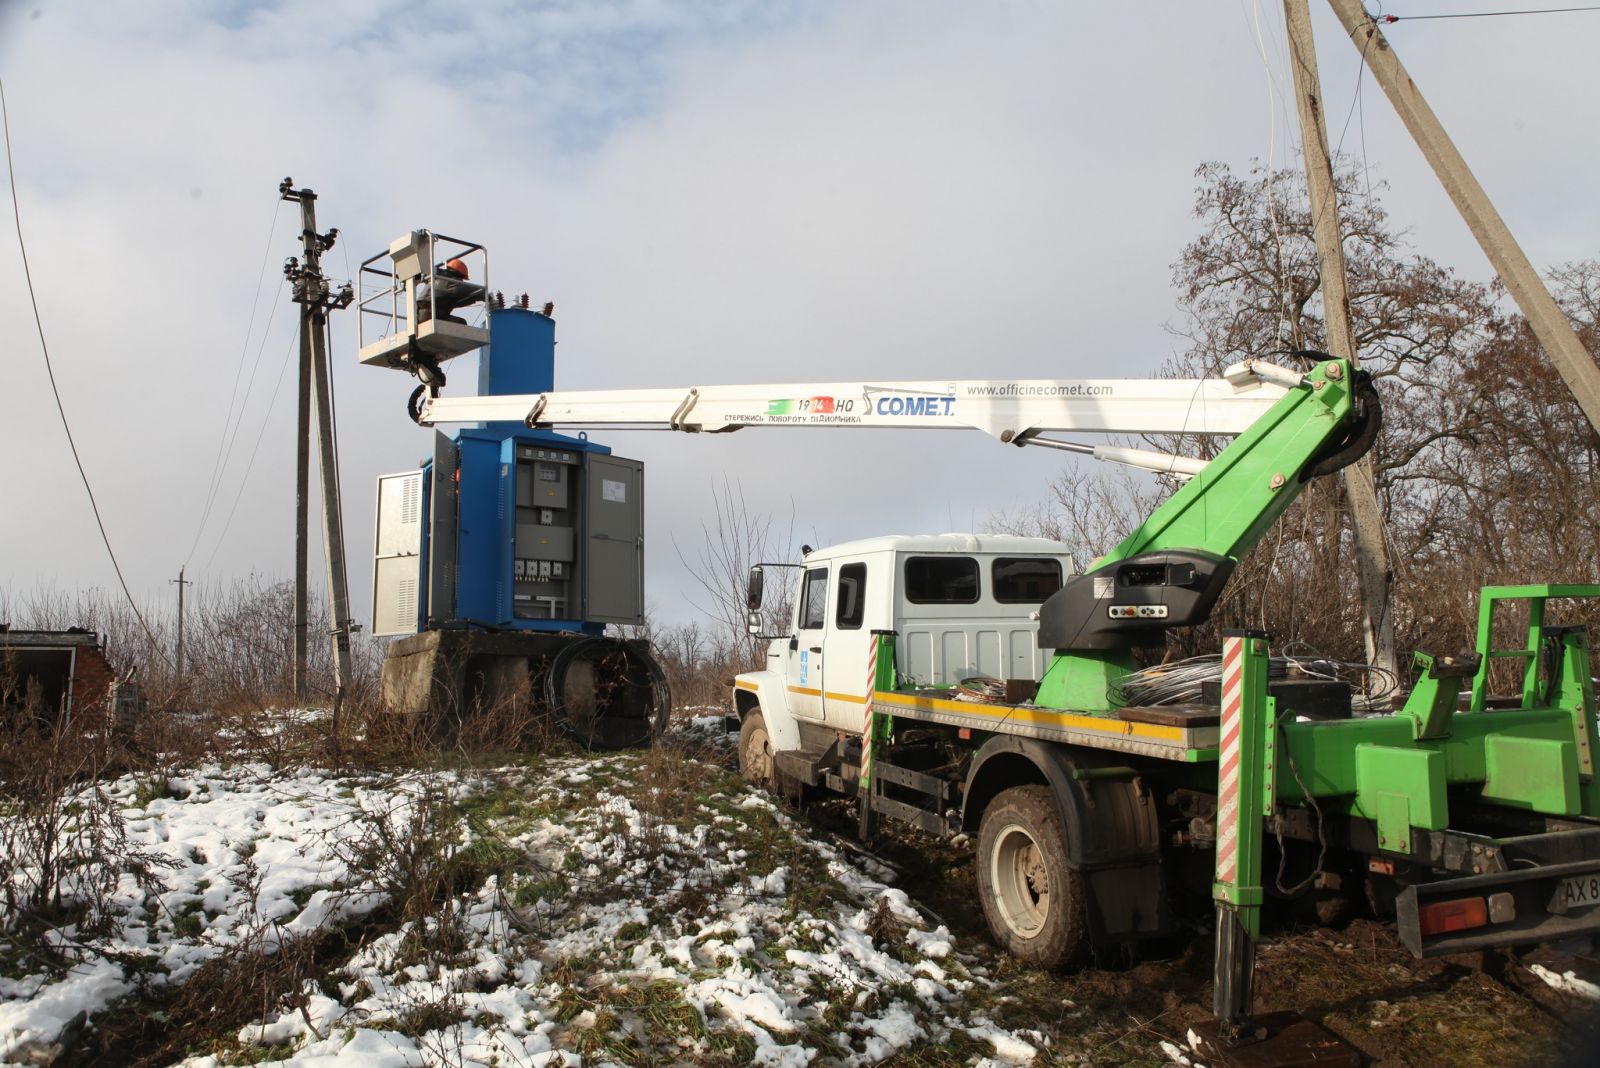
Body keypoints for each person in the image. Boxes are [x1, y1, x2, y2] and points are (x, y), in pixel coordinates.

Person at [416, 256, 486, 325]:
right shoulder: (450, 282)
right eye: (462, 278)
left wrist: (473, 299)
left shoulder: (435, 280)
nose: (461, 281)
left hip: (421, 317)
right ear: (458, 274)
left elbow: (458, 302)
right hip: (431, 316)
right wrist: (486, 295)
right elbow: (469, 289)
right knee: (461, 323)